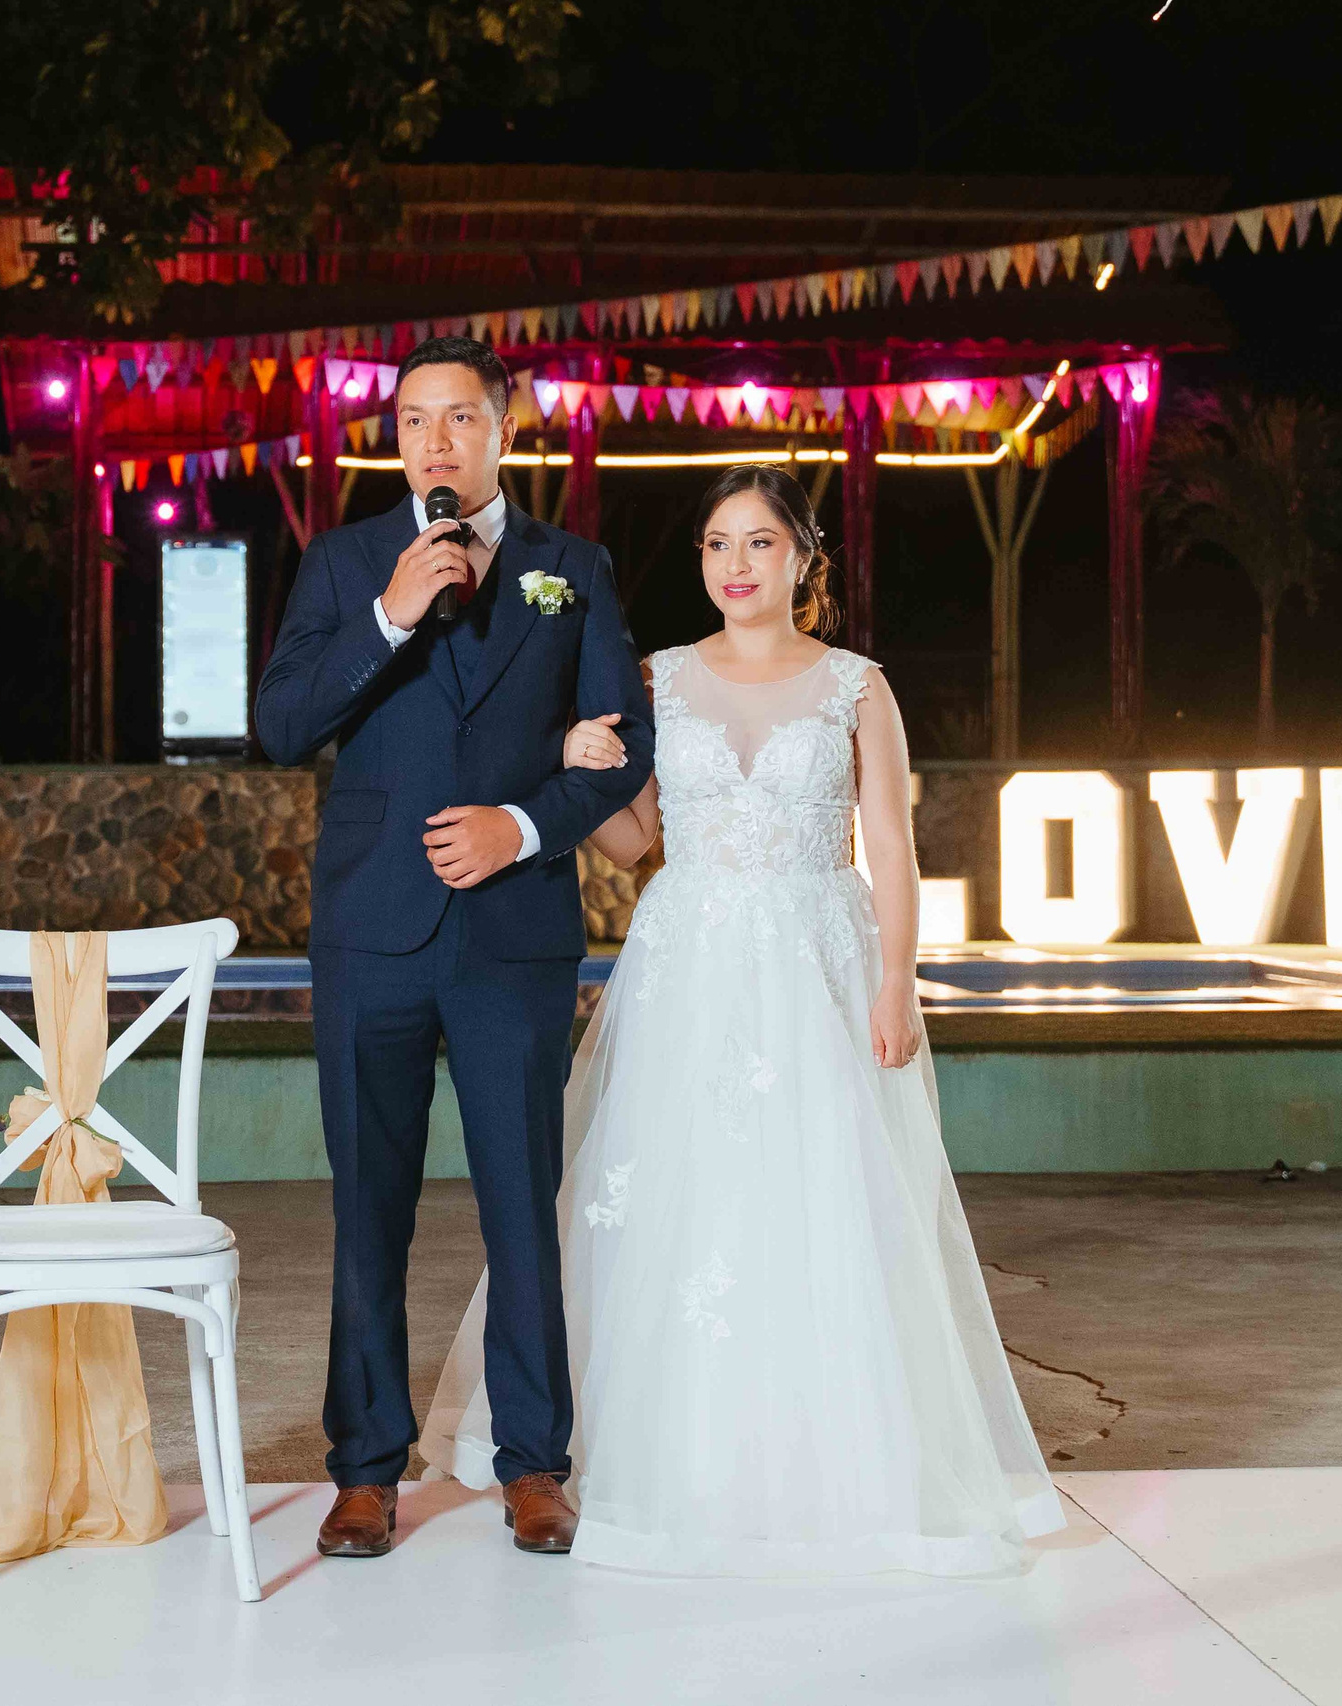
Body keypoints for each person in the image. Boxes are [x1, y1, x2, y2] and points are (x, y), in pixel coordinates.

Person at [419, 464, 1064, 1576]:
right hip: (690, 962)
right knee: (673, 1193)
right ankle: (653, 1456)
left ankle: (830, 1462)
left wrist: (897, 980)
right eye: (717, 544)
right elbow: (634, 844)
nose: (734, 564)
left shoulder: (858, 686)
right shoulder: (659, 678)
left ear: (802, 558)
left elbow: (894, 852)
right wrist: (581, 764)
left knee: (821, 1196)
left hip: (817, 959)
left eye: (759, 543)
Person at [256, 337, 655, 1558]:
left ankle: (535, 1463)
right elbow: (280, 726)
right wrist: (389, 612)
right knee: (367, 1205)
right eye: (415, 419)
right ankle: (367, 1469)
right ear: (395, 437)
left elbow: (622, 745)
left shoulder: (568, 568)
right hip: (373, 933)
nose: (437, 439)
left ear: (502, 428)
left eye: (461, 417)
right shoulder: (340, 565)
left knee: (518, 1209)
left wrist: (523, 823)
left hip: (511, 935)